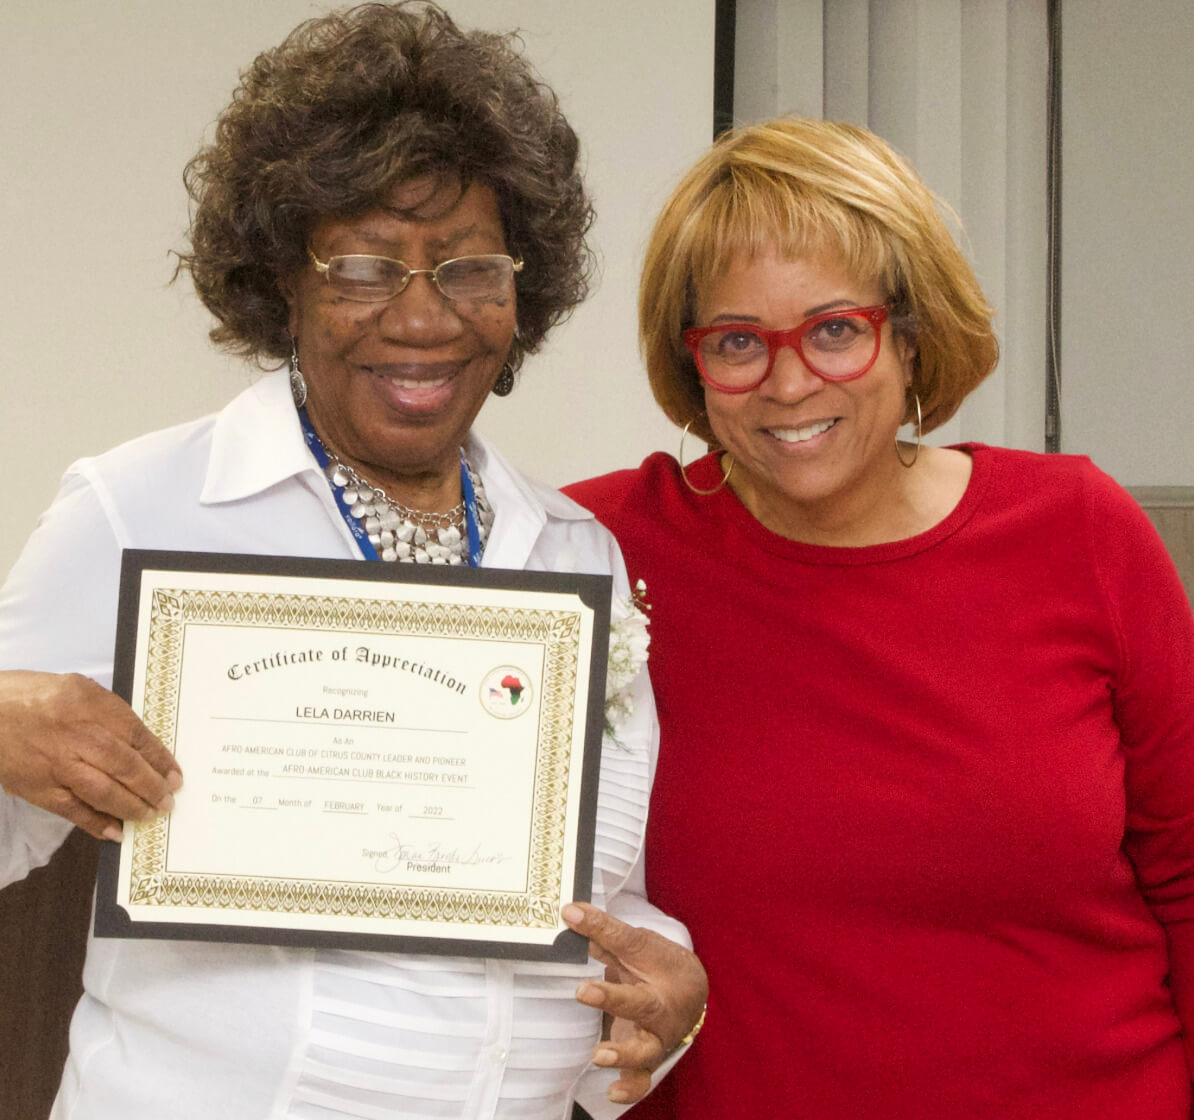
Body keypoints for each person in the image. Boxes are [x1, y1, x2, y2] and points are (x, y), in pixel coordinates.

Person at [0, 5, 706, 1117]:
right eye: (367, 264)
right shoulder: (138, 509)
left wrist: (665, 983)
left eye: (470, 265)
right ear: (284, 278)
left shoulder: (575, 556)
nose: (423, 317)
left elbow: (594, 891)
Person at [564, 116, 1194, 1118]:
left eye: (834, 330)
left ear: (908, 333)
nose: (788, 381)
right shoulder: (591, 552)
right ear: (693, 368)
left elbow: (1187, 872)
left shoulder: (1081, 532)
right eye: (737, 341)